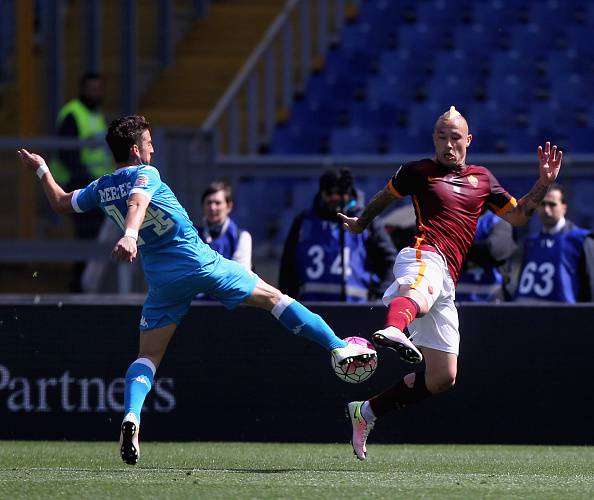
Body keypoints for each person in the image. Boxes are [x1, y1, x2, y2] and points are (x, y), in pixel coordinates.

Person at [17, 115, 375, 466]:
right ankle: (338, 347)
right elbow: (137, 202)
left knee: (149, 358)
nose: (153, 150)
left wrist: (42, 170)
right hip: (201, 262)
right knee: (274, 298)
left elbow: (61, 202)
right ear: (135, 150)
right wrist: (128, 234)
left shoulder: (101, 187)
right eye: (149, 144)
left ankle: (131, 417)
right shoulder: (146, 173)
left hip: (162, 280)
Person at [338, 106, 562, 460]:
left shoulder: (482, 179)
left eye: (454, 137)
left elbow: (518, 216)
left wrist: (543, 184)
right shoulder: (418, 171)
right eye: (441, 136)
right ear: (434, 139)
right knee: (421, 295)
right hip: (423, 255)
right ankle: (395, 328)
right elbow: (385, 196)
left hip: (448, 279)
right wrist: (362, 223)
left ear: (468, 140)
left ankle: (366, 412)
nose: (448, 144)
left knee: (443, 377)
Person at [279, 167, 396, 302]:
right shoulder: (303, 223)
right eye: (329, 192)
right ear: (321, 193)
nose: (335, 197)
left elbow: (390, 260)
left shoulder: (367, 222)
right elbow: (287, 266)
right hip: (311, 310)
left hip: (357, 310)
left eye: (340, 192)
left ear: (349, 192)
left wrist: (379, 297)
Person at [51, 72, 113, 291]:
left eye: (99, 88)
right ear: (82, 89)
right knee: (88, 232)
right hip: (77, 184)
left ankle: (85, 282)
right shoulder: (72, 114)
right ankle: (79, 284)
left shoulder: (97, 115)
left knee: (94, 234)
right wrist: (87, 182)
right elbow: (68, 155)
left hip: (97, 186)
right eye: (91, 88)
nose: (96, 92)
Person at [515, 184, 594, 302]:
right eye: (542, 204)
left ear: (564, 207)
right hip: (529, 315)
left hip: (563, 317)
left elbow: (590, 286)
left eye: (552, 204)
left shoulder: (581, 240)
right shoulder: (530, 243)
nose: (546, 210)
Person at [455, 211, 517, 302]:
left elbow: (494, 250)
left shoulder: (499, 220)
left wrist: (461, 254)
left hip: (492, 302)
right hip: (456, 302)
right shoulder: (457, 218)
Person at [196, 181, 252, 270]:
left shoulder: (241, 237)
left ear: (229, 206)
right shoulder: (194, 235)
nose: (212, 207)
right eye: (209, 202)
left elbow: (241, 275)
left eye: (217, 203)